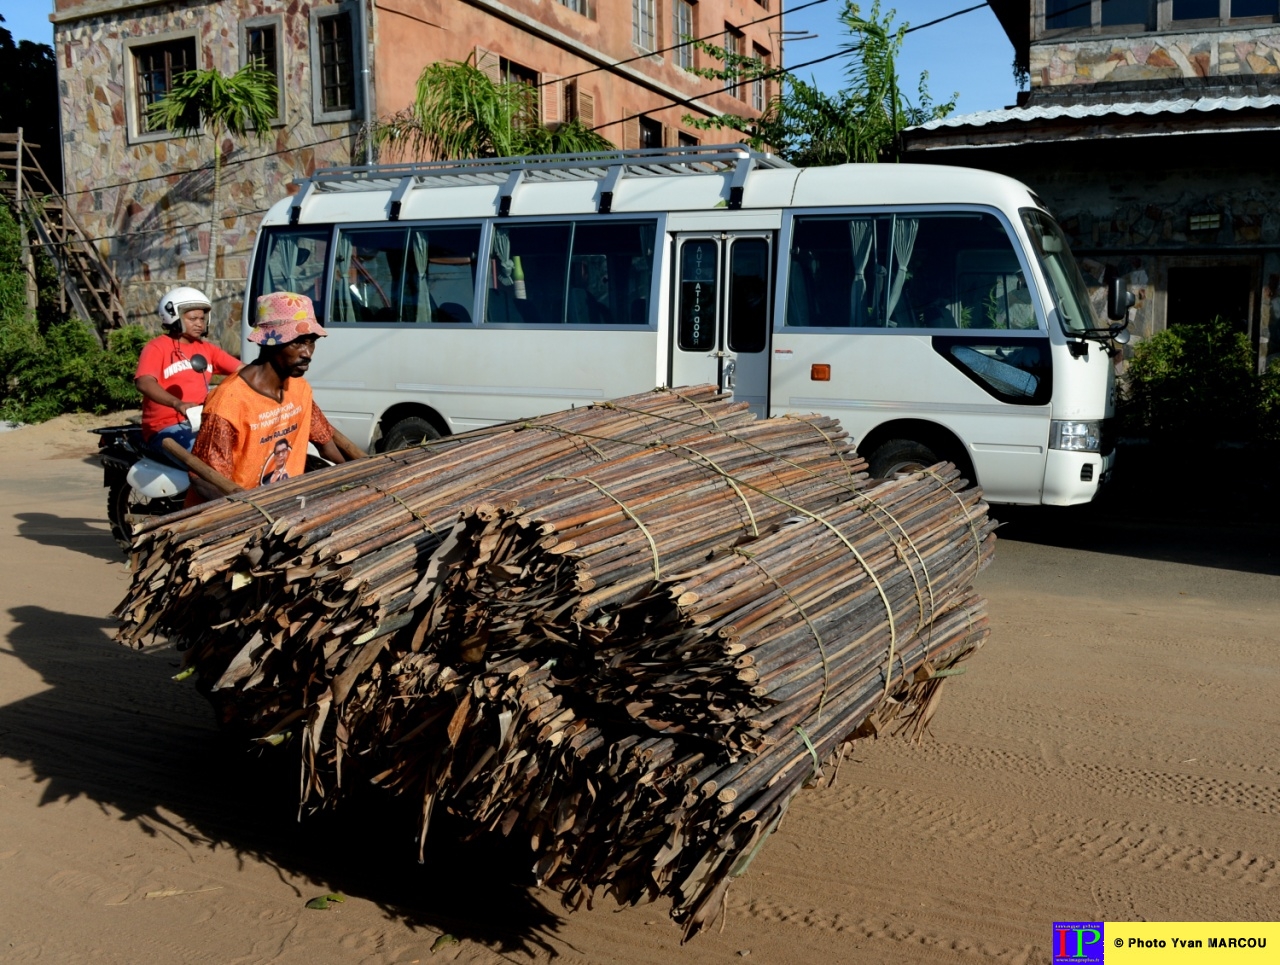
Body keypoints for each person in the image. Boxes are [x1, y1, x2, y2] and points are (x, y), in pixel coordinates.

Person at [187, 291, 347, 504]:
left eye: (311, 342)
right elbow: (206, 481)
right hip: (237, 516)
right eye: (297, 342)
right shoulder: (229, 402)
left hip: (282, 504)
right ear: (271, 343)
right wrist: (248, 515)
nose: (307, 353)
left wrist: (361, 473)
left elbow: (326, 442)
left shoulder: (299, 388)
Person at [135, 287, 242, 456]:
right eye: (193, 318)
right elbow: (144, 381)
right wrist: (177, 403)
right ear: (174, 317)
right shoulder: (156, 347)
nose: (199, 323)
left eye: (202, 318)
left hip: (202, 422)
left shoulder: (207, 349)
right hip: (165, 427)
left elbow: (243, 371)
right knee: (208, 456)